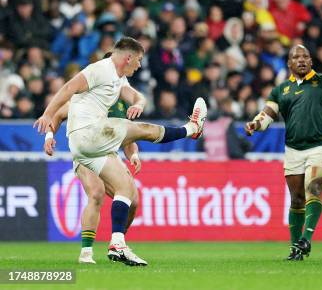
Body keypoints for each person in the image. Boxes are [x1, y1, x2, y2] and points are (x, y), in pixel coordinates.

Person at [34, 37, 207, 266]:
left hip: (91, 146)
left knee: (127, 189)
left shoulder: (118, 80)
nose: (139, 65)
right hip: (89, 133)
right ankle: (192, 129)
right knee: (142, 130)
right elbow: (68, 88)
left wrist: (138, 106)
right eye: (139, 60)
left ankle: (118, 243)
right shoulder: (100, 70)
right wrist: (47, 115)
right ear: (128, 57)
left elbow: (137, 98)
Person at [44, 53, 142, 264]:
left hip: (108, 153)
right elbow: (58, 114)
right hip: (87, 153)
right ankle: (86, 253)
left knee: (133, 200)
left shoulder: (120, 102)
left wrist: (133, 154)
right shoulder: (89, 95)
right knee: (96, 194)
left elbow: (126, 135)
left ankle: (118, 242)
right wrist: (50, 136)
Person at [245, 45, 322, 260]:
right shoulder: (281, 90)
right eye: (296, 57)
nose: (301, 60)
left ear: (311, 61)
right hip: (293, 149)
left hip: (320, 146)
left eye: (305, 56)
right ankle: (296, 249)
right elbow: (267, 114)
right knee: (296, 199)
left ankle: (306, 238)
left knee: (314, 188)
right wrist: (255, 125)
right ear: (289, 63)